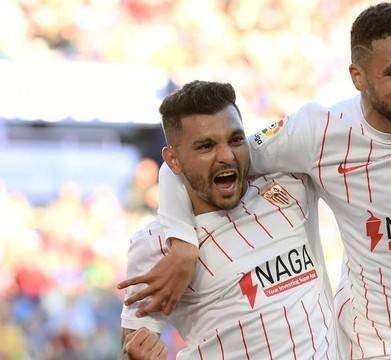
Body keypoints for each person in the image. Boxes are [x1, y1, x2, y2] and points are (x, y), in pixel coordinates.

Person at [130, 3, 391, 359]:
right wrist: (183, 243)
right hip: (379, 341)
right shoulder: (320, 134)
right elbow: (194, 162)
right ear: (357, 77)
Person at [119, 81, 338, 359]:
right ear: (173, 161)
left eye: (235, 139)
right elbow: (134, 343)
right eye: (206, 146)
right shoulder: (155, 246)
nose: (226, 156)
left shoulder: (290, 188)